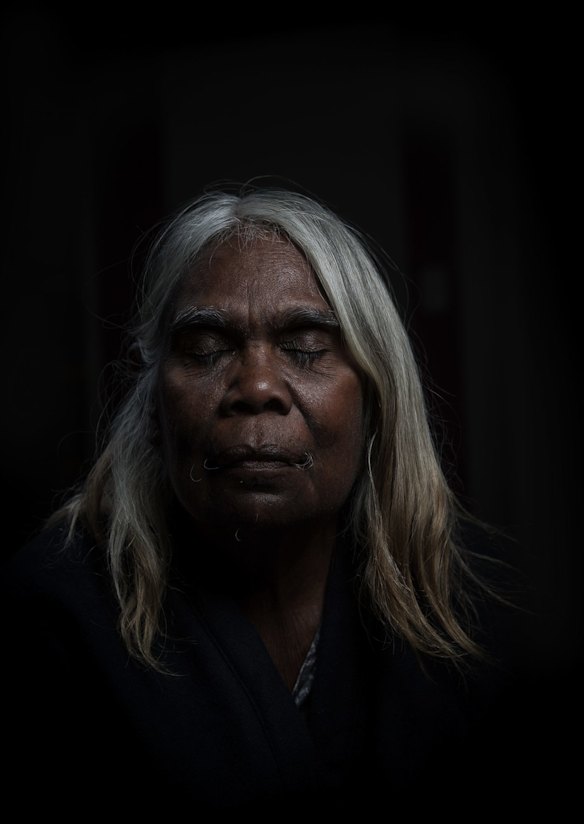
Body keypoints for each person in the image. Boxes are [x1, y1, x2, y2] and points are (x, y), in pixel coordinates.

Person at [2, 183, 536, 814]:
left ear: (375, 399)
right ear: (152, 408)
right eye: (205, 351)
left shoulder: (468, 605)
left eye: (306, 349)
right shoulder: (54, 613)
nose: (256, 386)